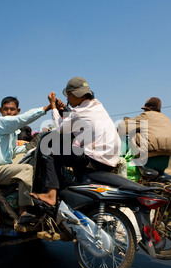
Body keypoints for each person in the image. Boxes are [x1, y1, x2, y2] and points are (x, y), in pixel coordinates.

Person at [30, 77, 121, 207]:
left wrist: (53, 107)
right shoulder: (97, 105)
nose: (68, 99)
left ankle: (51, 195)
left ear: (74, 94)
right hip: (110, 159)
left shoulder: (79, 113)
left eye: (69, 96)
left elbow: (59, 129)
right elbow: (73, 121)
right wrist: (63, 110)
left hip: (97, 160)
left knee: (51, 151)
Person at [0, 96, 52, 227]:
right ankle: (23, 211)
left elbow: (12, 151)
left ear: (17, 110)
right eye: (6, 109)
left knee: (33, 160)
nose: (9, 112)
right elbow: (21, 120)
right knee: (26, 169)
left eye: (12, 109)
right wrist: (46, 108)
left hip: (3, 167)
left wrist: (31, 146)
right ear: (0, 110)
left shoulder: (12, 132)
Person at [118, 97, 171, 175]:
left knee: (130, 133)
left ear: (147, 109)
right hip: (167, 156)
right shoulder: (166, 118)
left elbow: (122, 128)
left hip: (148, 153)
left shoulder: (145, 115)